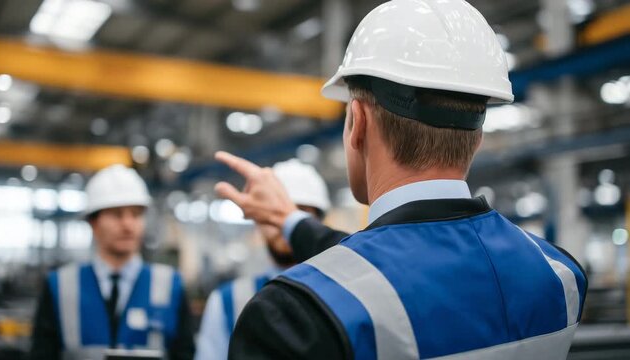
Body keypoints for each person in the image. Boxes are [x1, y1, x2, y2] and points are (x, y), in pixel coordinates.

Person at [215, 0, 588, 359]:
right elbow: (400, 264)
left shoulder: (296, 317)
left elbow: (381, 271)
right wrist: (290, 220)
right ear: (477, 137)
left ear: (357, 123)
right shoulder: (560, 276)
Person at [30, 165, 195, 360]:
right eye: (117, 214)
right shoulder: (60, 286)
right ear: (93, 223)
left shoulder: (171, 286)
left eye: (136, 214)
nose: (128, 224)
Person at [194, 159, 336, 360]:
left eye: (299, 211)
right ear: (258, 222)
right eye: (274, 212)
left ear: (318, 223)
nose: (284, 221)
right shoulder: (227, 302)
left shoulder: (342, 293)